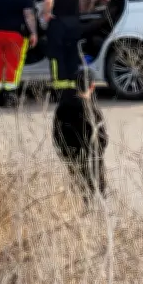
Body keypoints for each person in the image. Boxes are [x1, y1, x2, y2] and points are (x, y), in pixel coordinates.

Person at [52, 66, 109, 205]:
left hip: (71, 156)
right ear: (92, 86)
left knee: (79, 187)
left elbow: (56, 134)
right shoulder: (92, 109)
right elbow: (102, 138)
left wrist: (64, 152)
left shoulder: (62, 107)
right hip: (91, 158)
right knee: (96, 190)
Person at [40, 0, 91, 95]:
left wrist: (46, 14)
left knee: (57, 55)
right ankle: (72, 86)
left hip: (58, 23)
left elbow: (49, 0)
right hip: (74, 23)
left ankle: (60, 88)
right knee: (72, 54)